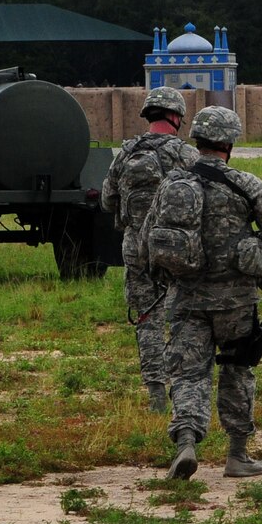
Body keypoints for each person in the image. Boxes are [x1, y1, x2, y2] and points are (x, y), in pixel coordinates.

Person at [142, 106, 262, 480]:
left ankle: (187, 442)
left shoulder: (173, 184)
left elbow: (147, 240)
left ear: (197, 139)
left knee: (189, 374)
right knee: (238, 371)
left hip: (187, 298)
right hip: (236, 301)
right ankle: (238, 455)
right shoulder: (245, 184)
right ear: (229, 143)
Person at [99, 86, 200, 412]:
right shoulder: (186, 155)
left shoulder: (127, 153)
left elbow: (107, 200)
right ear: (175, 116)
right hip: (177, 248)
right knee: (183, 317)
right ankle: (184, 388)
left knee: (148, 319)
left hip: (135, 247)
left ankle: (156, 395)